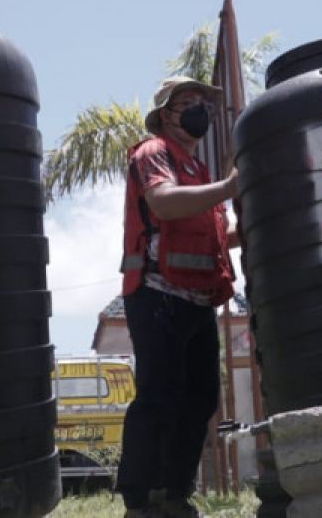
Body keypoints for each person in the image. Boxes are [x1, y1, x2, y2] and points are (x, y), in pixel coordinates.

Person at [116, 76, 240, 518]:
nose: (199, 111)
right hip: (156, 294)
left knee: (201, 398)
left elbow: (219, 233)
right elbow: (165, 204)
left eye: (203, 104)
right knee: (160, 394)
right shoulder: (154, 153)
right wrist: (229, 188)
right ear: (166, 114)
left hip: (196, 299)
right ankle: (141, 498)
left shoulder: (198, 171)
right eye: (189, 103)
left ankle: (174, 493)